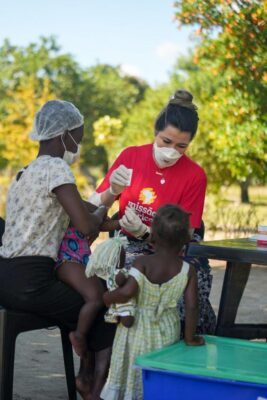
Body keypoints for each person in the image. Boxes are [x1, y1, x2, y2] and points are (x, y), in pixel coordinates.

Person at [0, 100, 116, 400]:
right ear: (62, 135)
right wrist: (103, 211)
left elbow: (83, 210)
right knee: (102, 306)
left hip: (6, 278)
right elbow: (87, 225)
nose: (79, 143)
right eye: (78, 136)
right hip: (32, 282)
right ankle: (91, 387)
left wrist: (109, 217)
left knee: (81, 305)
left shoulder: (25, 173)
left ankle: (83, 376)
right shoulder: (56, 168)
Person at [89, 89, 216, 336]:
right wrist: (112, 189)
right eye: (166, 142)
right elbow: (96, 205)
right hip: (128, 240)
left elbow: (187, 233)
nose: (171, 151)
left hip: (174, 245)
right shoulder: (131, 156)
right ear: (155, 131)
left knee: (191, 279)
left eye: (181, 146)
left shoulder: (195, 175)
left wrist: (148, 234)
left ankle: (185, 337)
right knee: (124, 276)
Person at [101, 204, 205, 400]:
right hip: (168, 329)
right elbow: (192, 306)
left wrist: (108, 298)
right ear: (185, 240)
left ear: (153, 236)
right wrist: (190, 338)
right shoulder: (187, 269)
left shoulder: (142, 262)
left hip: (137, 330)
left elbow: (128, 291)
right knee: (159, 375)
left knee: (134, 371)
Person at [85, 236, 135, 327]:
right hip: (120, 298)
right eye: (122, 255)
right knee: (125, 311)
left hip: (111, 301)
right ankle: (125, 318)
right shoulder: (119, 272)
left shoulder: (102, 276)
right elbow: (120, 280)